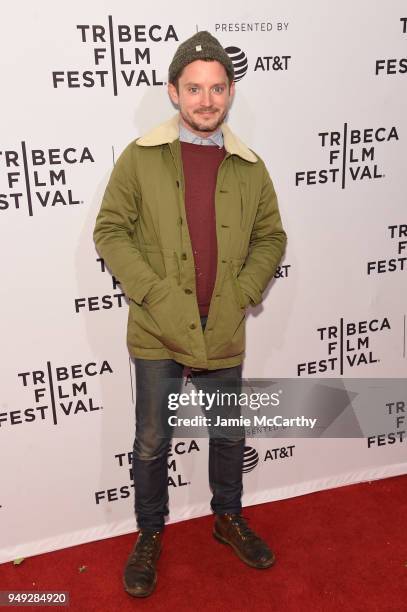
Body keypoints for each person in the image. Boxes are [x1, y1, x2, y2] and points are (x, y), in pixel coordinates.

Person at [93, 30, 287, 598]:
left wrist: (245, 288)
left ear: (230, 93)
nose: (207, 100)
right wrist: (152, 292)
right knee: (152, 440)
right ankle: (150, 534)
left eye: (217, 88)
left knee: (228, 435)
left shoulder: (250, 166)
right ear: (174, 92)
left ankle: (228, 518)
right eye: (194, 88)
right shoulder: (141, 157)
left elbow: (271, 236)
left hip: (223, 326)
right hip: (157, 329)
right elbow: (110, 230)